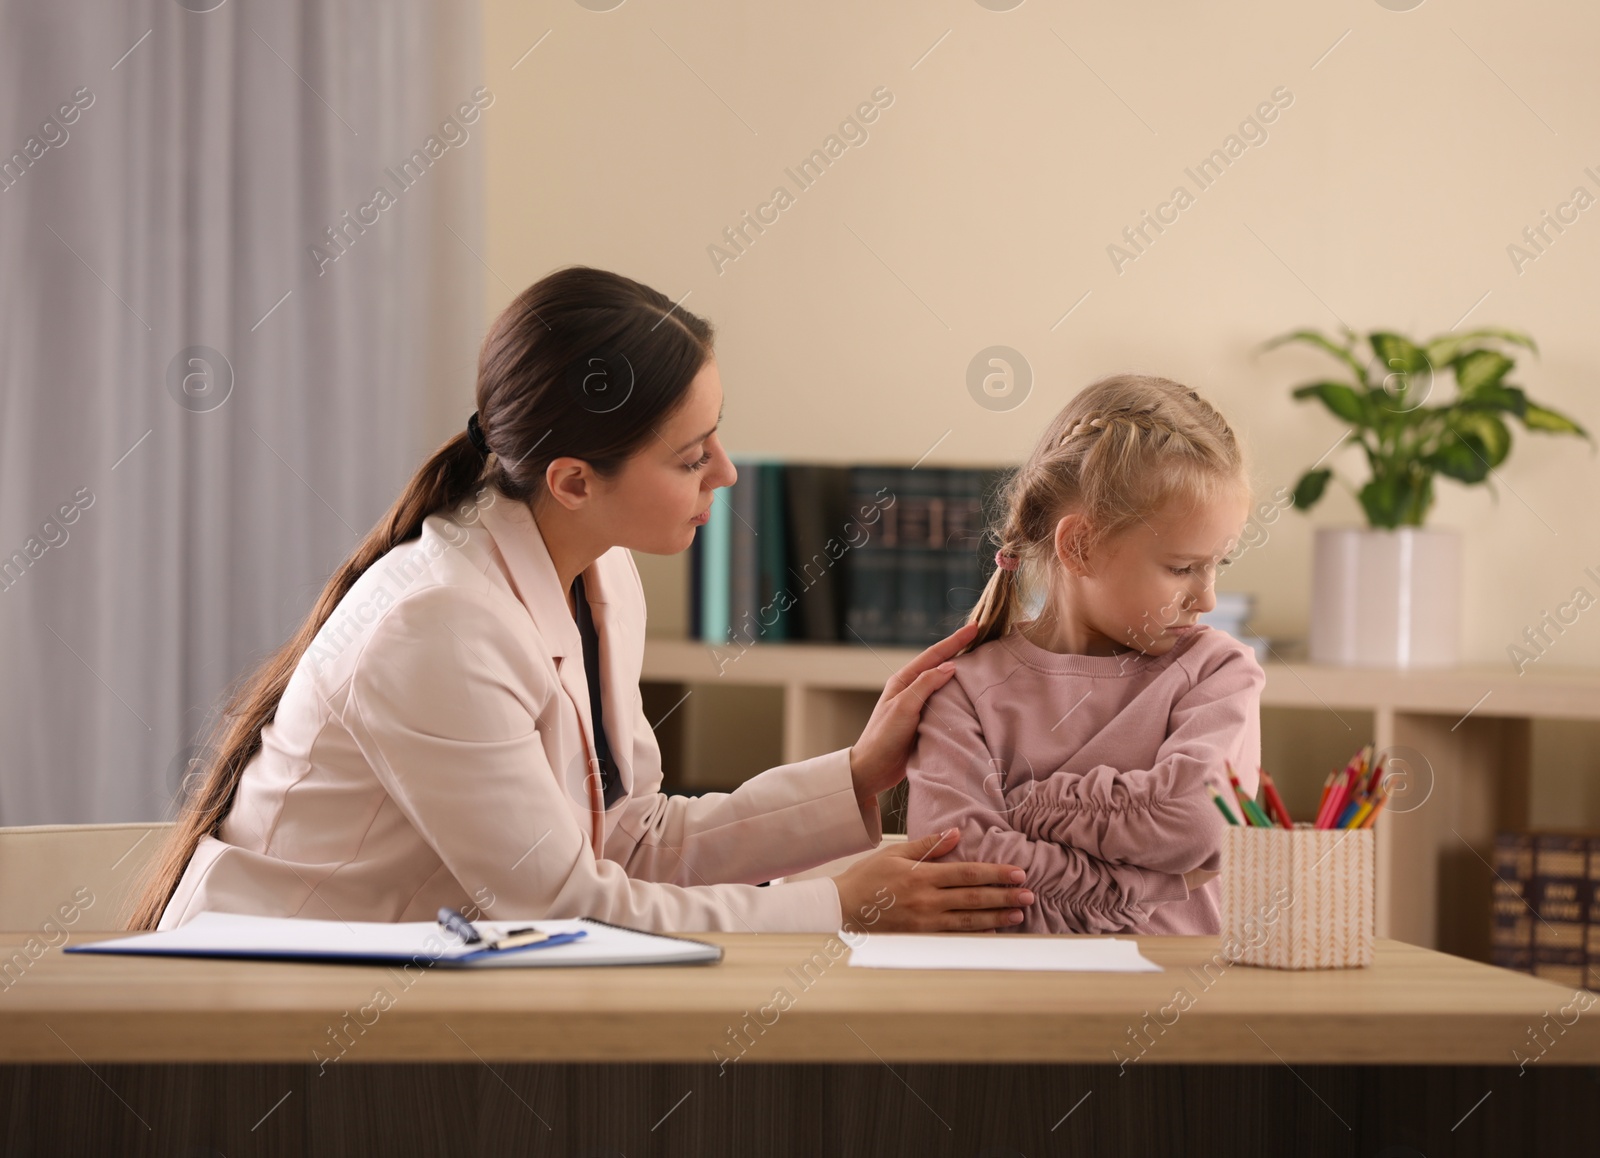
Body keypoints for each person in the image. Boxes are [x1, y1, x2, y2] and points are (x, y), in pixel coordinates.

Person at [127, 267, 1036, 934]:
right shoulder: (436, 624)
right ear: (571, 481)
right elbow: (566, 906)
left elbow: (632, 843)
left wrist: (857, 774)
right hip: (265, 1009)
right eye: (691, 457)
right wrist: (839, 902)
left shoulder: (601, 575)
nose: (723, 472)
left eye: (715, 437)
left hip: (421, 977)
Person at [906, 374, 1265, 934]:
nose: (1208, 597)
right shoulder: (961, 689)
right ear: (1080, 547)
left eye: (1220, 564)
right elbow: (962, 869)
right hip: (1011, 999)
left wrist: (1025, 811)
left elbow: (1195, 820)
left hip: (1180, 1005)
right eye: (1181, 568)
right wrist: (1147, 884)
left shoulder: (1216, 672)